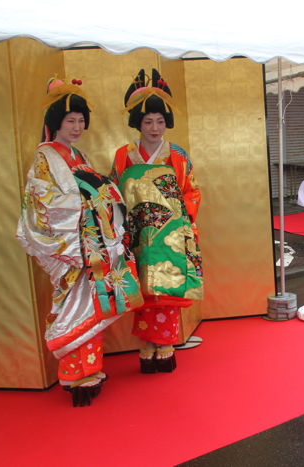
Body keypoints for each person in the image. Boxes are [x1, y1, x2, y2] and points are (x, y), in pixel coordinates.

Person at [17, 78, 143, 406]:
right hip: (73, 244)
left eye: (81, 120)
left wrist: (104, 202)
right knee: (75, 305)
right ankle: (75, 375)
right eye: (70, 120)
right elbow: (43, 202)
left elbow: (91, 189)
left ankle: (90, 369)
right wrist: (93, 202)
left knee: (92, 304)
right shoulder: (46, 157)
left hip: (94, 242)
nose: (77, 126)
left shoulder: (77, 153)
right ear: (55, 122)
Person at [111, 68, 203, 374]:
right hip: (136, 234)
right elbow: (114, 192)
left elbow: (191, 190)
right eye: (148, 121)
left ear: (167, 124)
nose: (154, 127)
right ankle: (148, 344)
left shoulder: (176, 155)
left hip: (170, 234)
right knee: (143, 290)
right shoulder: (123, 155)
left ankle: (163, 344)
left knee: (167, 288)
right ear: (138, 123)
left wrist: (183, 219)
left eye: (160, 122)